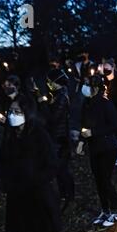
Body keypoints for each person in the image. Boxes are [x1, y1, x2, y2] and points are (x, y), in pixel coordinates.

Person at [0, 84, 60, 232]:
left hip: (38, 195)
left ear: (28, 113)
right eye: (11, 111)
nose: (12, 115)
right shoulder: (9, 136)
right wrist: (6, 182)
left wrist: (34, 179)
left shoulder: (39, 135)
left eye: (17, 112)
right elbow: (3, 162)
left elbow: (52, 165)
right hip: (18, 196)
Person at [81, 75, 117, 227]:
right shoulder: (87, 104)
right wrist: (81, 139)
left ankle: (116, 211)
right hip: (94, 148)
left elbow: (114, 125)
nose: (84, 87)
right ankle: (105, 209)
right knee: (98, 180)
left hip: (107, 148)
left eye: (87, 84)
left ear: (95, 88)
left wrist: (94, 132)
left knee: (105, 179)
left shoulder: (106, 104)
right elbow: (83, 122)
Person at [46, 69, 75, 207]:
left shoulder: (62, 97)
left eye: (50, 81)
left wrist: (44, 104)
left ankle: (68, 194)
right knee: (60, 168)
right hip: (57, 136)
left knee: (62, 168)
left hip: (61, 138)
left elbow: (54, 118)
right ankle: (64, 193)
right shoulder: (56, 95)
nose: (48, 83)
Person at [103, 59, 117, 166]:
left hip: (116, 112)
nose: (106, 70)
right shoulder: (103, 81)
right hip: (104, 112)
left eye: (107, 68)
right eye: (104, 68)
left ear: (113, 68)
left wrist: (108, 98)